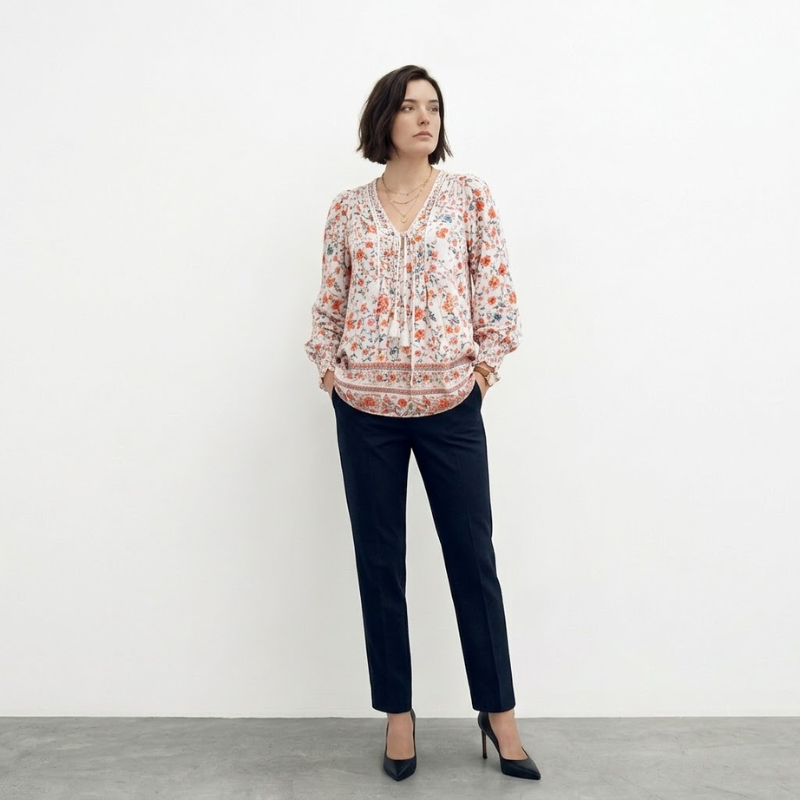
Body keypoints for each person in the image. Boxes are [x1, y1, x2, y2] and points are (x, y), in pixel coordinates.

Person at [303, 65, 541, 782]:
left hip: (449, 407)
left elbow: (495, 293)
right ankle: (398, 716)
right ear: (384, 120)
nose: (424, 118)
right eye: (408, 107)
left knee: (473, 560)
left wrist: (482, 373)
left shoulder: (469, 197)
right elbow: (331, 301)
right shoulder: (348, 210)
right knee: (380, 565)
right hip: (364, 411)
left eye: (433, 107)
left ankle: (498, 713)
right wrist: (330, 370)